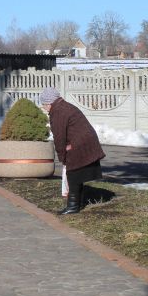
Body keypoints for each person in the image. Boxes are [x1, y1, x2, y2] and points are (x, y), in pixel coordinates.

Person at [38, 87, 105, 215]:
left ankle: (73, 207)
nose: (44, 108)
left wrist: (62, 157)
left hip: (80, 144)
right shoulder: (63, 107)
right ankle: (77, 204)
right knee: (77, 174)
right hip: (84, 142)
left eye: (44, 105)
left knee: (73, 174)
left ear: (49, 103)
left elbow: (59, 137)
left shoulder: (58, 112)